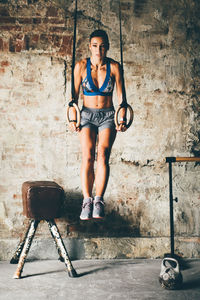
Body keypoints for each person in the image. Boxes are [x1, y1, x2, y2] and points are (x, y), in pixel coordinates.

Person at [68, 29, 129, 220]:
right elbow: (73, 98)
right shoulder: (80, 66)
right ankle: (87, 200)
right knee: (88, 156)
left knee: (103, 155)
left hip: (108, 116)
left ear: (107, 47)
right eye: (95, 46)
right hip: (86, 115)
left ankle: (98, 200)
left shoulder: (115, 67)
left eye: (102, 46)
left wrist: (122, 118)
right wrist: (72, 118)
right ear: (90, 46)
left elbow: (122, 99)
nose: (98, 50)